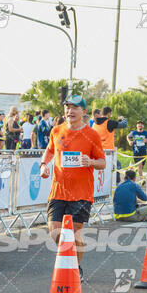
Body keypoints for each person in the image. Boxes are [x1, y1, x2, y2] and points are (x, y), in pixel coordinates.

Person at [40, 94, 105, 280]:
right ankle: (67, 260)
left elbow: (102, 163)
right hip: (58, 190)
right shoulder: (56, 130)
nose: (70, 111)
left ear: (83, 112)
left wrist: (90, 161)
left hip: (81, 193)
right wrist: (44, 165)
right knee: (55, 232)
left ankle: (75, 268)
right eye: (68, 107)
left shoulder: (92, 135)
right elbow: (50, 150)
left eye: (75, 107)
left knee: (75, 234)